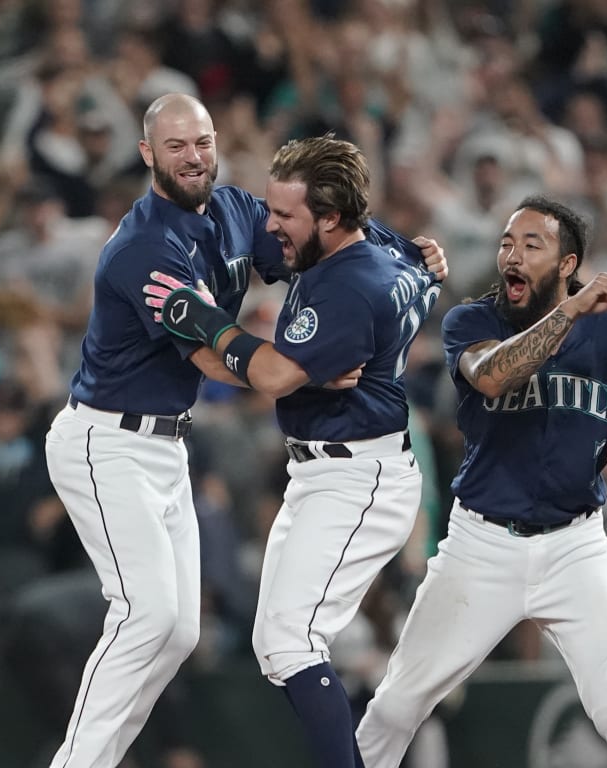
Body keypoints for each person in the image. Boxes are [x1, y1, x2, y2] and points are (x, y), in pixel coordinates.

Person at [43, 95, 442, 768]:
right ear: (147, 154)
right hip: (103, 442)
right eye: (175, 146)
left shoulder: (230, 208)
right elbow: (212, 356)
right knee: (146, 618)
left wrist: (409, 255)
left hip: (168, 444)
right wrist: (298, 370)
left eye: (201, 141)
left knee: (175, 633)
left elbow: (317, 238)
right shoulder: (144, 248)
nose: (193, 156)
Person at [348, 196, 607, 768]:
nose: (513, 254)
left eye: (533, 244)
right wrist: (572, 311)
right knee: (396, 706)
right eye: (508, 241)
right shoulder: (473, 320)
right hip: (481, 545)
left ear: (567, 263)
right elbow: (494, 378)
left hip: (575, 545)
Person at [152, 134, 446, 767]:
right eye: (272, 208)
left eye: (286, 215)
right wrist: (427, 266)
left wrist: (200, 319)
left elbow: (276, 377)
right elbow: (421, 265)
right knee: (275, 642)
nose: (271, 225)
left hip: (357, 475)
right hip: (332, 469)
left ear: (332, 218)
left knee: (289, 644)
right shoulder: (378, 245)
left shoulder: (350, 285)